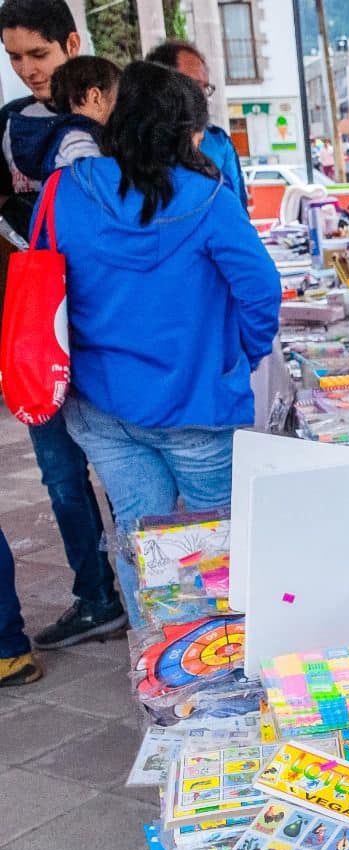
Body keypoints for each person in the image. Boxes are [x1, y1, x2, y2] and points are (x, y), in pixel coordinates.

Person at [51, 61, 280, 618]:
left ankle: (163, 674)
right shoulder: (206, 198)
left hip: (100, 402)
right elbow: (261, 292)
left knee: (140, 538)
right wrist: (240, 355)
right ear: (187, 132)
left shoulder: (66, 189)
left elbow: (46, 281)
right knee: (221, 550)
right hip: (195, 406)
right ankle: (216, 676)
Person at [0, 0, 124, 655]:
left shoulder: (119, 117)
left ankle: (161, 587)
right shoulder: (8, 126)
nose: (27, 70)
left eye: (39, 55)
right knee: (58, 473)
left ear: (71, 42)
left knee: (134, 460)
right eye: (14, 57)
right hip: (39, 330)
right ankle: (96, 595)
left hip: (111, 324)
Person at [144, 39, 247, 211]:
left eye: (205, 87)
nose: (202, 96)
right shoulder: (130, 144)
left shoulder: (218, 143)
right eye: (194, 85)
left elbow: (238, 209)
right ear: (162, 85)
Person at [44, 54, 117, 170]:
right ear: (95, 98)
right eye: (119, 99)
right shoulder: (76, 140)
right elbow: (101, 180)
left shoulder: (76, 135)